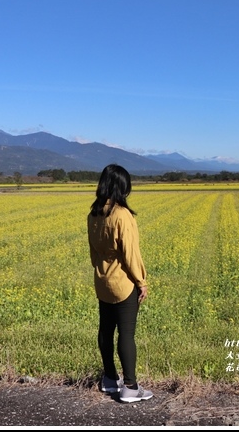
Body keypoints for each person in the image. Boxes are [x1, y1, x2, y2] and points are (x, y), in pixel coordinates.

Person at [87, 164, 152, 403]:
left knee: (106, 330)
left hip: (102, 280)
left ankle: (110, 379)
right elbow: (130, 254)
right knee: (126, 333)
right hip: (123, 282)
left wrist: (102, 269)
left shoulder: (94, 214)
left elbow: (94, 252)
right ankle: (131, 387)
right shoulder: (122, 215)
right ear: (122, 186)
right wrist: (141, 281)